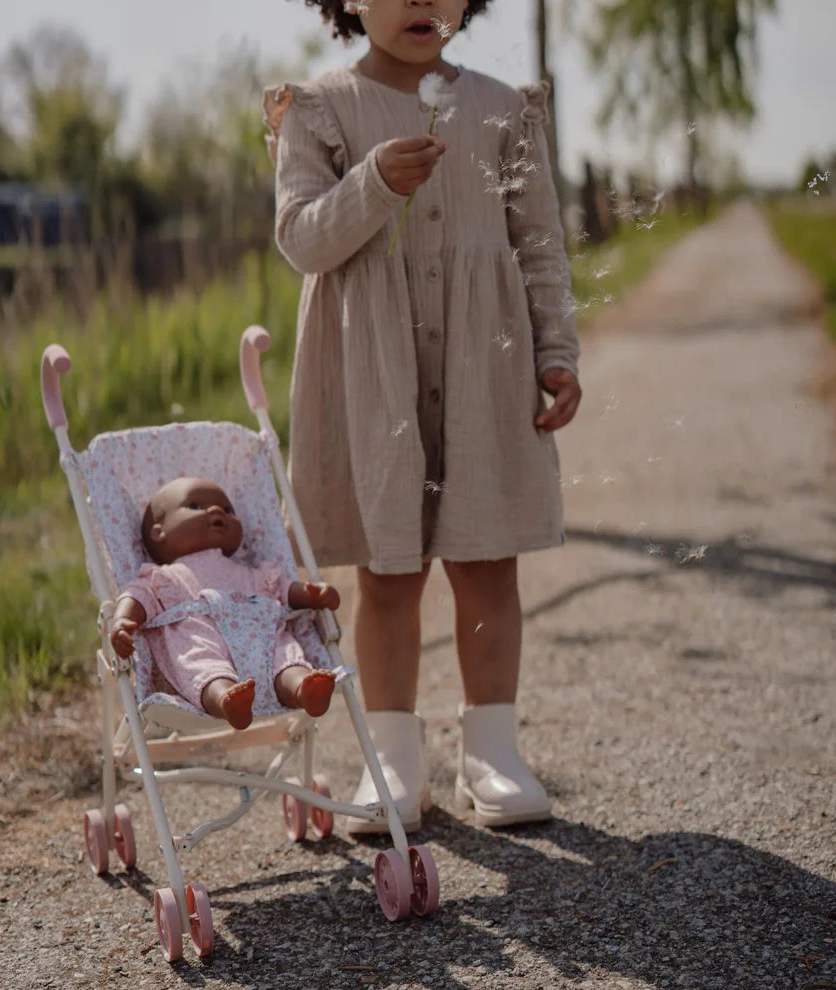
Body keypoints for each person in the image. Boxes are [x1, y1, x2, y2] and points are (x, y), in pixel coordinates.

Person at [263, 0, 582, 831]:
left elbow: (539, 245)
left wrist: (556, 352)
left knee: (487, 563)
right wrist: (371, 183)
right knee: (388, 571)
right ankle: (394, 762)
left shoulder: (503, 110)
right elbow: (301, 239)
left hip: (485, 367)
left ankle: (492, 754)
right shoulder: (321, 110)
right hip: (376, 375)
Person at [110, 477, 341, 731]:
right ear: (159, 532)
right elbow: (137, 595)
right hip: (203, 642)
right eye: (195, 506)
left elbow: (281, 589)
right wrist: (122, 620)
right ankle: (226, 699)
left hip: (262, 639)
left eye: (228, 509)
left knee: (285, 656)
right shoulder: (164, 577)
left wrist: (311, 594)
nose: (217, 510)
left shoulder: (248, 572)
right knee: (202, 665)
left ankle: (303, 688)